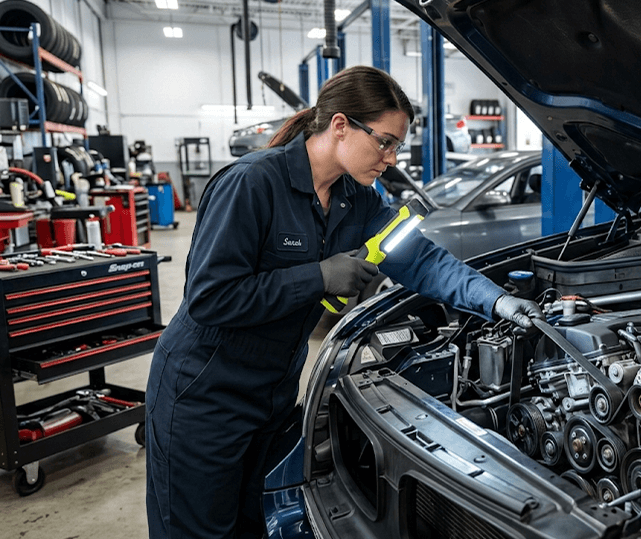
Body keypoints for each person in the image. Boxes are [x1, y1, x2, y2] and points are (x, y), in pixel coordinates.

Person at [145, 65, 542, 538]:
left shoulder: (359, 199)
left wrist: (495, 300)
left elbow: (422, 260)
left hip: (272, 396)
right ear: (340, 126)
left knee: (255, 525)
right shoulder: (251, 184)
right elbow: (210, 299)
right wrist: (317, 277)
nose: (391, 159)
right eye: (385, 142)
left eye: (397, 146)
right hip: (203, 395)